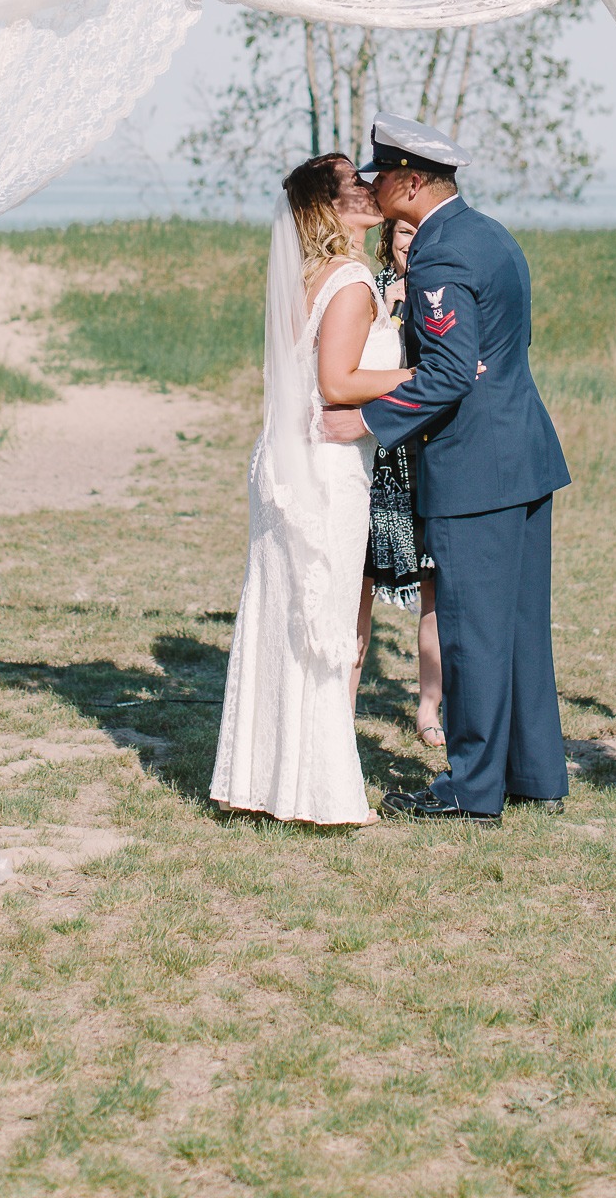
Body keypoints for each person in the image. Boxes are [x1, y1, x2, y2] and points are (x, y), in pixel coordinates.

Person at [323, 112, 571, 823]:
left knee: (472, 634)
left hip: (474, 468)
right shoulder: (486, 234)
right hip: (521, 455)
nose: (374, 191)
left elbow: (451, 372)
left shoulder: (438, 253)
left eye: (380, 178)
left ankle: (469, 790)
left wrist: (365, 419)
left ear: (408, 178)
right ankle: (532, 774)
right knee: (519, 628)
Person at [210, 154, 412, 826]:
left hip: (285, 462)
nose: (367, 188)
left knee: (283, 616)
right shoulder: (351, 280)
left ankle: (261, 782)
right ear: (330, 208)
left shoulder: (307, 278)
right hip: (325, 472)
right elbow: (337, 384)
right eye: (353, 183)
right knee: (320, 620)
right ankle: (315, 792)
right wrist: (418, 375)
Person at [352, 215, 445, 750]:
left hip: (429, 462)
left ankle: (429, 706)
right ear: (388, 240)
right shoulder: (371, 292)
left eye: (420, 233)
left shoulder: (445, 293)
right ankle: (345, 697)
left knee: (435, 588)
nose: (412, 243)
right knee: (358, 582)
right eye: (403, 234)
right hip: (379, 463)